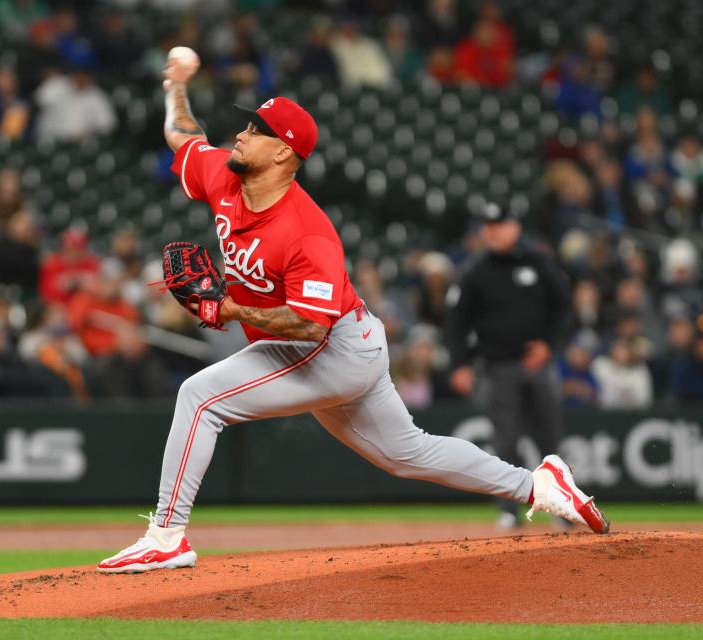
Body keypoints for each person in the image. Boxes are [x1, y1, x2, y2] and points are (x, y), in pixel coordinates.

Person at [96, 49, 609, 574]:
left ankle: (167, 535)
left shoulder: (307, 231)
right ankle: (540, 485)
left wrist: (226, 307)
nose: (243, 133)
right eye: (248, 122)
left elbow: (308, 323)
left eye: (258, 129)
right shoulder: (225, 177)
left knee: (200, 396)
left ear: (283, 154)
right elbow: (184, 137)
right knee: (409, 453)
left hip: (331, 345)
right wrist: (175, 86)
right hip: (336, 343)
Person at [444, 203, 571, 530]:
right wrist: (459, 363)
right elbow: (456, 320)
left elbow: (562, 307)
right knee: (506, 441)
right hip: (498, 366)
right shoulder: (475, 271)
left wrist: (549, 344)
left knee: (549, 439)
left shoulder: (538, 262)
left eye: (499, 224)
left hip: (538, 365)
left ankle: (563, 507)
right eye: (488, 225)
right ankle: (509, 509)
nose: (493, 230)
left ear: (515, 227)